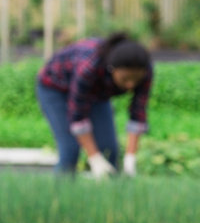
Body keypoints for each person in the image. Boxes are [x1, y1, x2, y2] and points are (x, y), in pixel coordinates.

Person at [35, 32, 154, 178]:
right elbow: (78, 116)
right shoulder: (89, 67)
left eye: (136, 79)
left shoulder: (144, 70)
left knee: (109, 149)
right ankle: (59, 198)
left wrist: (130, 159)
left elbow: (138, 113)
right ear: (112, 69)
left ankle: (111, 197)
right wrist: (94, 158)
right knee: (70, 149)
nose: (131, 84)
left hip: (96, 93)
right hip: (55, 88)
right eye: (125, 79)